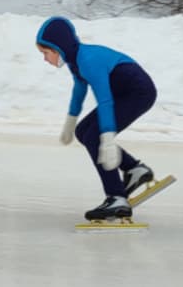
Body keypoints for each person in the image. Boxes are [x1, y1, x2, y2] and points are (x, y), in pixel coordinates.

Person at [36, 16, 157, 221]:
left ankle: (116, 198)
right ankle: (134, 169)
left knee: (94, 136)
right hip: (124, 93)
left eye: (46, 53)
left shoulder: (88, 61)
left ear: (59, 49)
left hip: (139, 92)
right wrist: (70, 123)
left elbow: (105, 101)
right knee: (83, 131)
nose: (45, 59)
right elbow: (79, 92)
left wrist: (107, 138)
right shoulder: (76, 61)